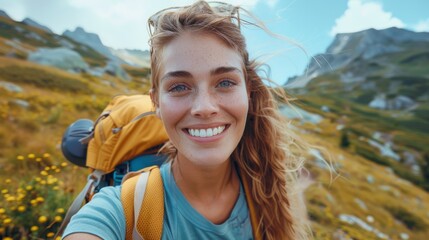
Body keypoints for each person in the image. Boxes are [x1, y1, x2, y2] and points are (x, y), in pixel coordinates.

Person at [63, 1, 310, 239]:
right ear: (156, 102)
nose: (204, 107)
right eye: (179, 86)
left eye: (225, 82)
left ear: (247, 91)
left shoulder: (268, 190)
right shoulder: (118, 210)